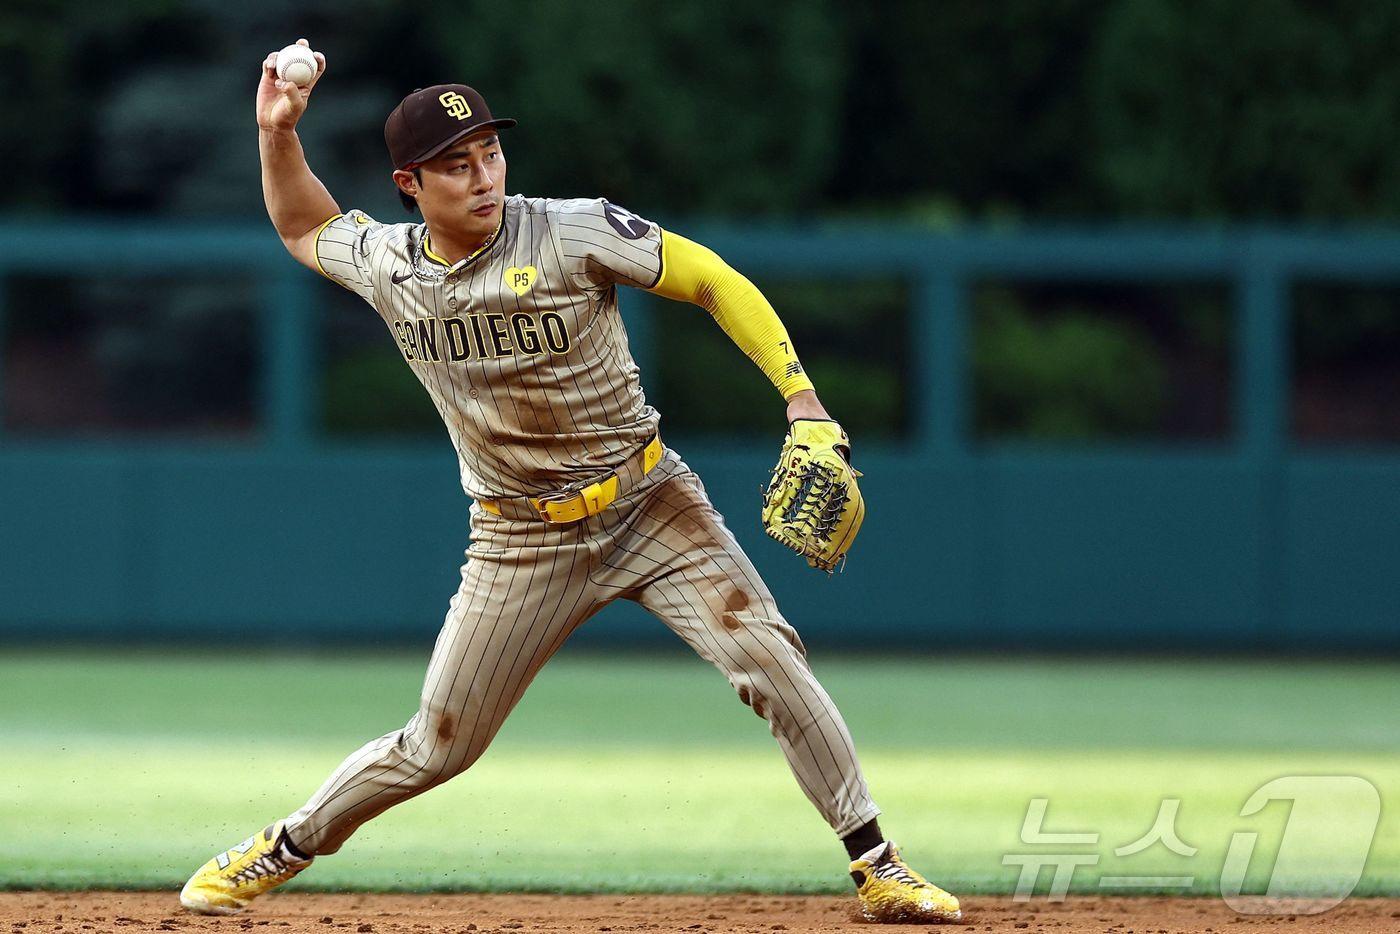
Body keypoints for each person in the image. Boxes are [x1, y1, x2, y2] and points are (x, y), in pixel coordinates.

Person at [178, 39, 961, 925]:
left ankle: (879, 865)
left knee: (771, 660)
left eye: (491, 154)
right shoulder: (392, 267)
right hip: (518, 539)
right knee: (438, 745)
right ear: (409, 184)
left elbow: (710, 278)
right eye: (456, 166)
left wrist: (803, 401)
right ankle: (283, 845)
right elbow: (300, 226)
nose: (484, 177)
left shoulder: (569, 228)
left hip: (652, 505)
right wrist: (274, 130)